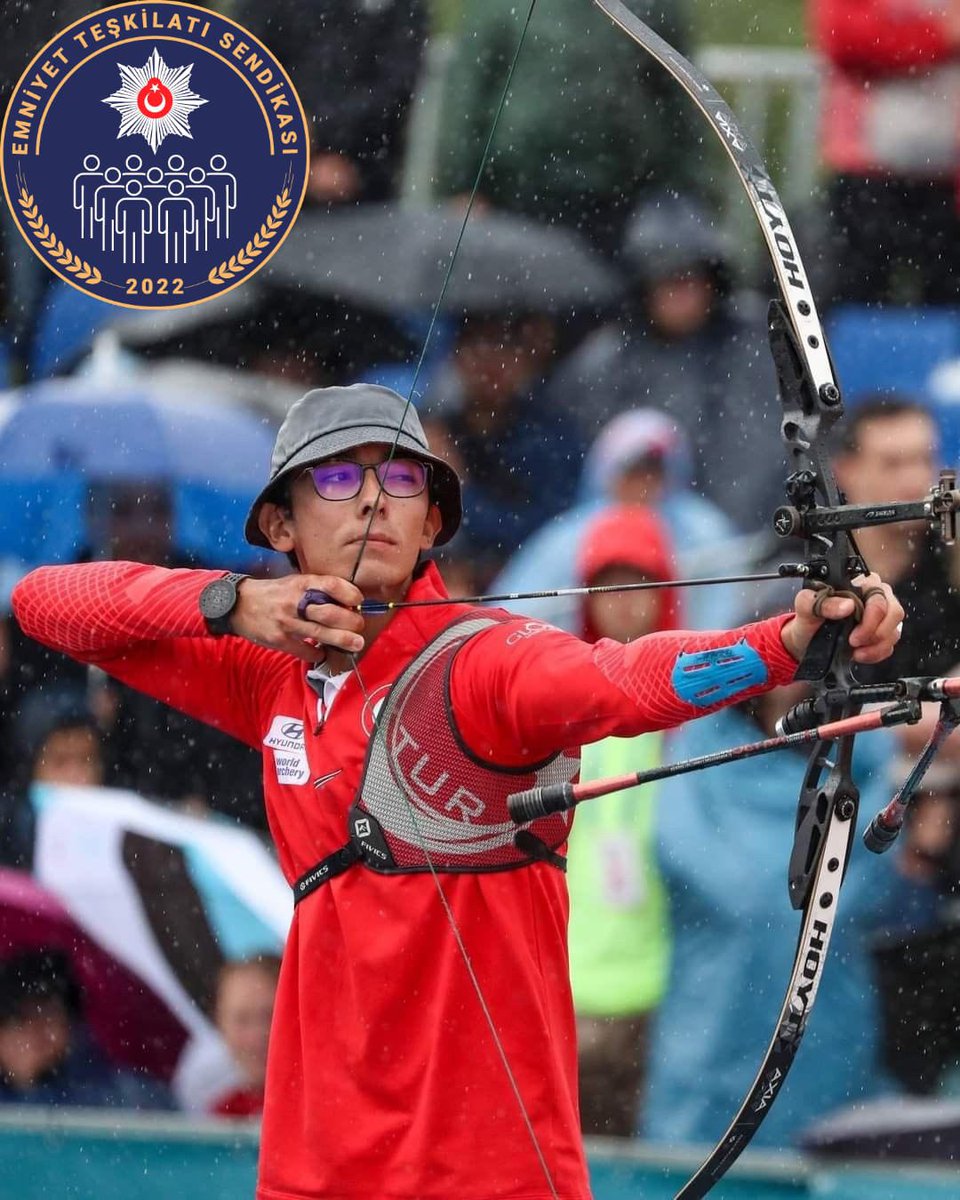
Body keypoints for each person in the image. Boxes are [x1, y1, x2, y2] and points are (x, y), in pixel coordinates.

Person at [11, 383, 903, 1200]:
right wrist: (230, 603)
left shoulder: (487, 663)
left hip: (487, 1167)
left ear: (434, 520)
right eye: (335, 479)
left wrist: (785, 641)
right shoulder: (267, 669)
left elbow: (626, 681)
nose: (373, 499)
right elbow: (47, 604)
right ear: (279, 527)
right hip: (317, 1161)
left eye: (401, 479)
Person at [567, 506, 678, 1137]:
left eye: (641, 583)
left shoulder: (688, 710)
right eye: (610, 585)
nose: (626, 602)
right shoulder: (566, 702)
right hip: (574, 980)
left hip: (660, 982)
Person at [810, 0, 960, 307]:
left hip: (948, 184)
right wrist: (937, 35)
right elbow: (845, 39)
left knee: (946, 308)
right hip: (869, 175)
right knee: (854, 301)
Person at [0, 948, 172, 1109]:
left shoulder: (122, 1094)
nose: (34, 1031)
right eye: (18, 1019)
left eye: (49, 1016)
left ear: (70, 1024)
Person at [210, 954, 281, 1119]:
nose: (256, 1036)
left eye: (269, 1016)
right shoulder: (222, 1116)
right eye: (242, 1020)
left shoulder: (329, 1105)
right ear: (220, 1026)